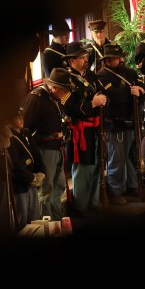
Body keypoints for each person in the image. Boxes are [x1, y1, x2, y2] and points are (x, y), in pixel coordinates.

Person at [63, 41, 108, 218]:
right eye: (82, 57)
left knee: (97, 165)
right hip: (80, 131)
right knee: (83, 169)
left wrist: (103, 100)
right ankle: (81, 207)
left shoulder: (91, 75)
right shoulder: (66, 80)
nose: (86, 59)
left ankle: (94, 202)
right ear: (72, 60)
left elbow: (104, 93)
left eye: (86, 56)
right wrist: (92, 104)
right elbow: (69, 108)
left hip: (97, 127)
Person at [21, 67, 73, 221]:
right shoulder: (36, 98)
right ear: (54, 87)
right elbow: (25, 128)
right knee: (46, 189)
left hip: (56, 147)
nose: (65, 94)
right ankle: (47, 223)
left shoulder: (53, 97)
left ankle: (57, 221)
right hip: (43, 149)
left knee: (59, 186)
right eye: (64, 90)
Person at [97, 43, 145, 205]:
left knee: (133, 157)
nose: (122, 59)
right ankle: (115, 190)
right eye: (117, 58)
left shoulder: (130, 72)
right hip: (115, 124)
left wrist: (138, 89)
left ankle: (132, 185)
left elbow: (142, 88)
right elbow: (112, 95)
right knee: (116, 159)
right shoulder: (102, 76)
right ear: (108, 60)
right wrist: (129, 91)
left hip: (132, 121)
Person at [5, 107, 46, 230]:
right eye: (17, 117)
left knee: (34, 216)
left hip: (32, 180)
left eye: (22, 116)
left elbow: (36, 154)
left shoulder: (26, 132)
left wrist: (41, 171)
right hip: (20, 183)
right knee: (22, 218)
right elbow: (15, 165)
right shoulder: (9, 137)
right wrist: (32, 178)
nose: (21, 119)